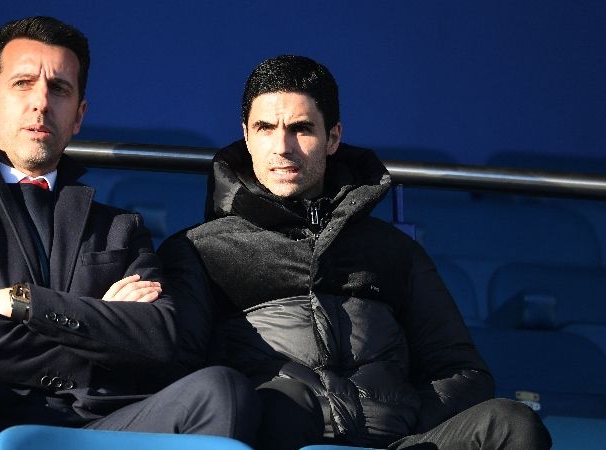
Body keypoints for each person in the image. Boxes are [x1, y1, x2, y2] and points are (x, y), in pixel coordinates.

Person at [0, 16, 258, 450]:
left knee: (220, 392)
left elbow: (160, 338)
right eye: (23, 83)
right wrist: (98, 330)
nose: (41, 102)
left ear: (78, 115)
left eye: (59, 89)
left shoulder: (120, 227)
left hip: (99, 427)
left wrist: (22, 302)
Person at [158, 55, 551, 449]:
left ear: (333, 138)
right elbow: (185, 383)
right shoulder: (200, 249)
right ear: (246, 135)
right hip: (282, 439)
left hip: (397, 442)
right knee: (280, 403)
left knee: (513, 423)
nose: (282, 147)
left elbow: (464, 373)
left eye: (301, 129)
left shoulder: (394, 251)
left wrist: (407, 419)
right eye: (265, 128)